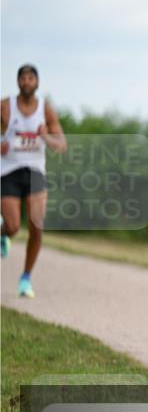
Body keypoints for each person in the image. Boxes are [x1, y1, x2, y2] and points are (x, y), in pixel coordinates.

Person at [1, 64, 67, 297]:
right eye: (23, 78)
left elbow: (61, 145)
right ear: (18, 82)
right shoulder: (5, 107)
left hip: (35, 172)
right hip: (9, 171)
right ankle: (4, 234)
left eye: (31, 78)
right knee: (12, 225)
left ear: (37, 83)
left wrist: (45, 136)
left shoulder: (46, 110)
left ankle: (26, 278)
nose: (27, 82)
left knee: (37, 226)